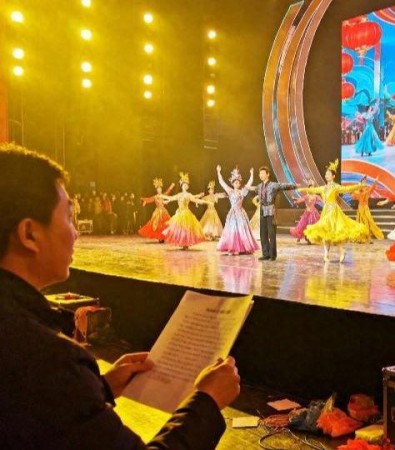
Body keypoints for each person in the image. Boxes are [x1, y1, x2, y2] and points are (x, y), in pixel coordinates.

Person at [0, 143, 240, 449]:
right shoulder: (47, 358)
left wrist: (100, 388)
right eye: (69, 217)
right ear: (29, 234)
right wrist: (207, 402)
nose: (76, 232)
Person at [298, 159, 369, 262]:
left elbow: (347, 189)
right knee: (325, 232)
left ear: (333, 176)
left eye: (328, 174)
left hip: (333, 211)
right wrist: (303, 189)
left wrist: (359, 185)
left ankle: (342, 250)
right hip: (326, 211)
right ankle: (326, 254)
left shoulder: (335, 187)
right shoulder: (323, 188)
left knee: (335, 232)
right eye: (326, 174)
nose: (326, 176)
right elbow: (313, 190)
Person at [256, 166, 296, 261]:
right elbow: (252, 189)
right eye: (260, 173)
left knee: (271, 233)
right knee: (263, 233)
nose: (261, 175)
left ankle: (272, 255)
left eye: (263, 173)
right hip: (262, 210)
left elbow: (283, 186)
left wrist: (294, 185)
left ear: (268, 174)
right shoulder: (259, 186)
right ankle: (265, 254)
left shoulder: (273, 185)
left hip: (271, 210)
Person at [216, 166, 259, 256]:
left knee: (242, 230)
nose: (237, 184)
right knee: (232, 229)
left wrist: (251, 174)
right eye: (235, 182)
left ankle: (242, 247)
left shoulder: (242, 192)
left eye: (238, 182)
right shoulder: (230, 191)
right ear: (232, 183)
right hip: (233, 213)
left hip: (240, 213)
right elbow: (222, 182)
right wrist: (219, 172)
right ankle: (233, 248)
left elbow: (249, 183)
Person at [161, 173, 206, 250]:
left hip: (186, 213)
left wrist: (206, 202)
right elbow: (171, 198)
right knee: (179, 229)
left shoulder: (188, 195)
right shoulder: (179, 195)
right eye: (183, 185)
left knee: (186, 229)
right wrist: (163, 197)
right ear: (181, 186)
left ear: (187, 187)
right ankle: (183, 243)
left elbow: (195, 200)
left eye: (186, 185)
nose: (185, 186)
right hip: (179, 213)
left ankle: (186, 243)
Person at [139, 178, 175, 242]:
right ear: (156, 190)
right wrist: (144, 201)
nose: (159, 190)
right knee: (158, 224)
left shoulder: (163, 195)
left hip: (163, 211)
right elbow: (149, 199)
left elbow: (168, 192)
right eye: (158, 189)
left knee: (165, 224)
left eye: (160, 189)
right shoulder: (155, 197)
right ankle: (160, 237)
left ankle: (163, 237)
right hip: (157, 212)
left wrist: (171, 187)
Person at [352, 176, 384, 243]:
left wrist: (375, 181)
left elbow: (372, 187)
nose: (364, 182)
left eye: (365, 181)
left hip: (366, 208)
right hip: (360, 208)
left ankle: (369, 238)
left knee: (368, 222)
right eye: (363, 181)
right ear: (361, 182)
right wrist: (358, 188)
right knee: (361, 223)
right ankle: (360, 238)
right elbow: (354, 195)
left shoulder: (367, 189)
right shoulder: (359, 190)